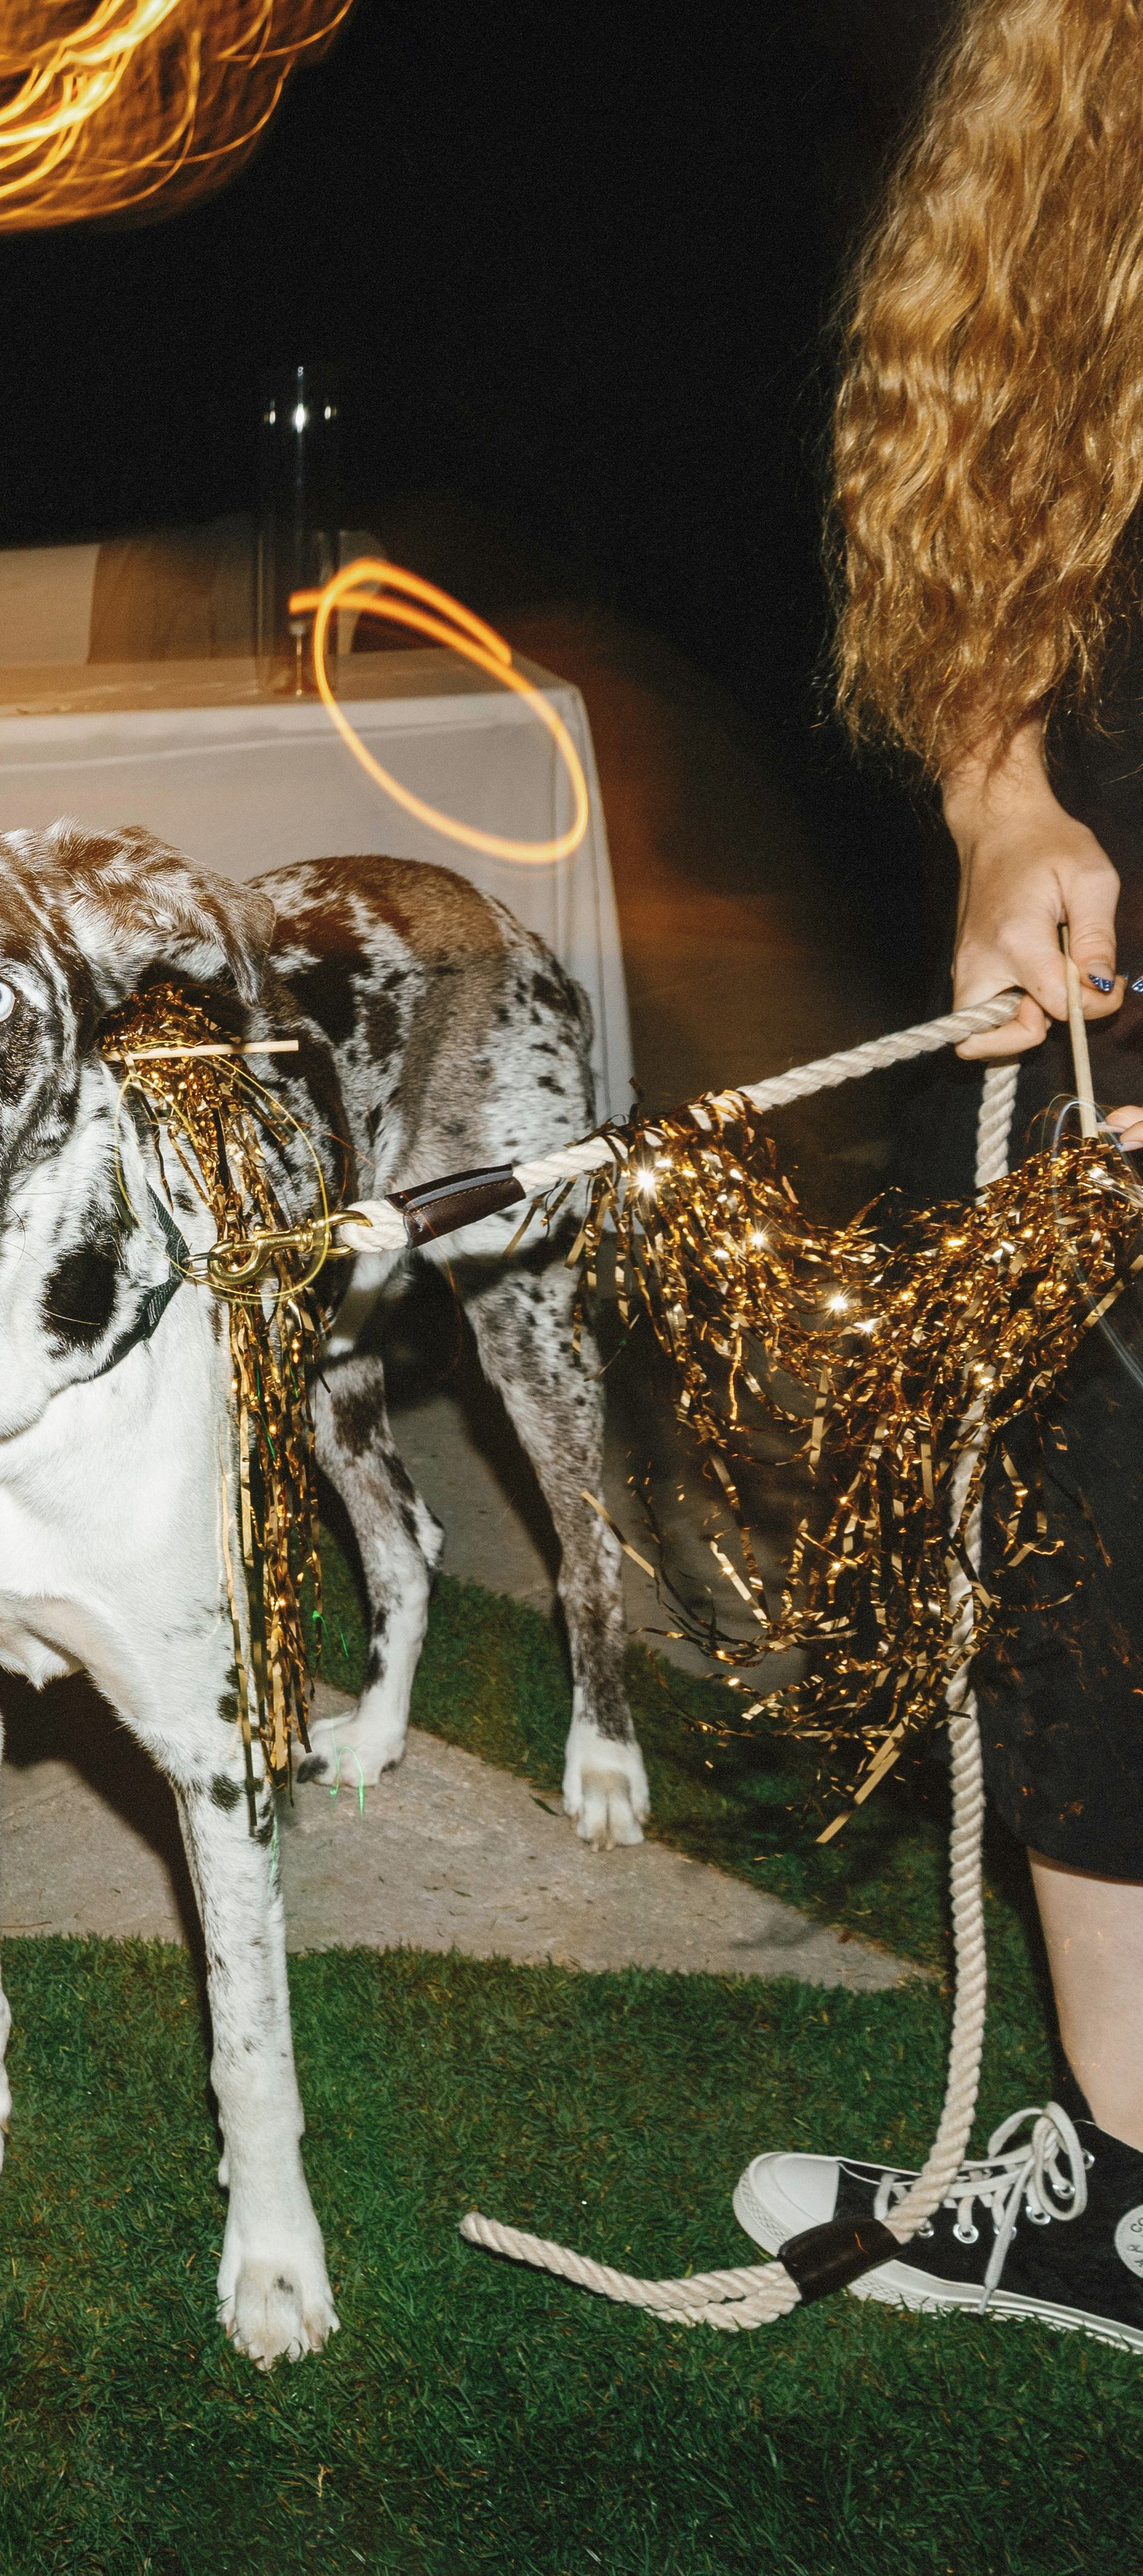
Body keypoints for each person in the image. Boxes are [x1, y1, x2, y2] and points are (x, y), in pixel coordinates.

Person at [732, 0, 1143, 2351]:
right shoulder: (1068, 110)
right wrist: (1007, 812)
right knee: (1077, 1546)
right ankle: (1121, 2185)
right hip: (1094, 1039)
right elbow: (988, 543)